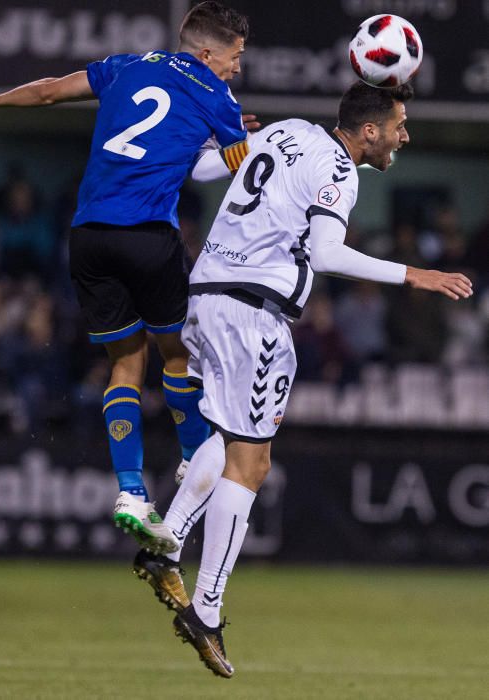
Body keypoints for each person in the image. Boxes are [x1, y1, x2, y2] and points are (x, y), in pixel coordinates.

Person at [132, 80, 473, 678]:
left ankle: (168, 536)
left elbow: (207, 167)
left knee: (232, 436)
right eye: (399, 125)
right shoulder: (340, 168)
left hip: (206, 296)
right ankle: (205, 608)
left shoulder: (287, 130)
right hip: (252, 311)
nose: (404, 135)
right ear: (369, 131)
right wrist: (413, 273)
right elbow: (328, 254)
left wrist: (221, 137)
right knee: (254, 462)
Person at [0, 1, 258, 555]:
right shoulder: (218, 97)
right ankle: (193, 461)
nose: (237, 68)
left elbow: (47, 91)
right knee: (179, 355)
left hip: (88, 236)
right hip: (148, 237)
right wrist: (236, 140)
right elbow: (241, 172)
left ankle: (131, 493)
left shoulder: (124, 65)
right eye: (235, 57)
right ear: (208, 53)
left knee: (124, 363)